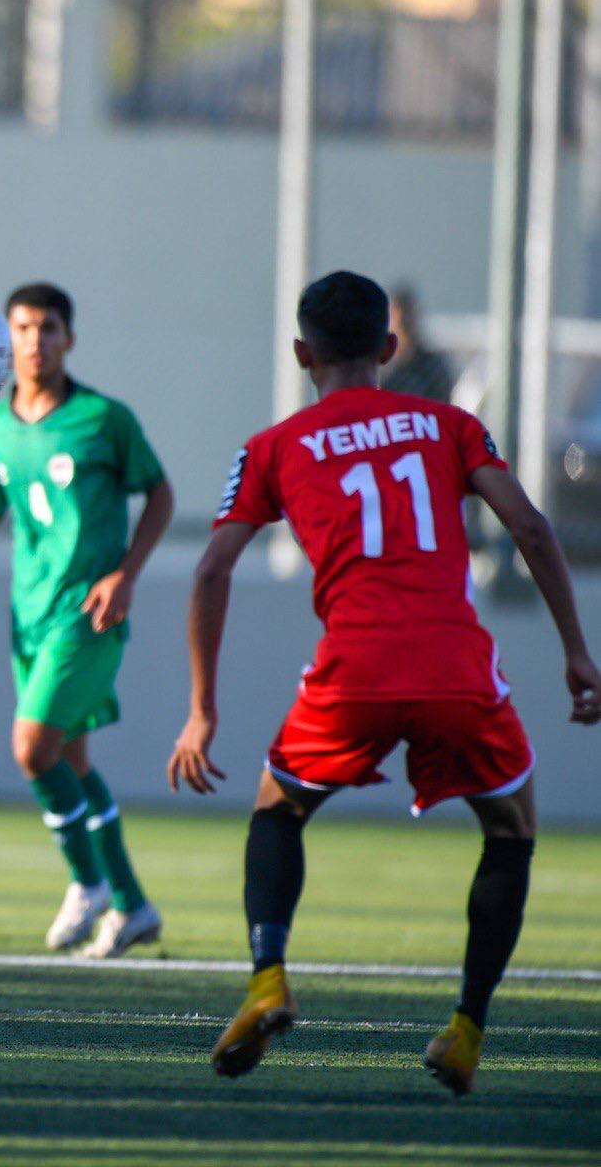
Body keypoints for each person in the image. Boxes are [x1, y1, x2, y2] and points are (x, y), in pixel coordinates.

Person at [168, 270, 600, 1092]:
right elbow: (534, 530)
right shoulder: (449, 425)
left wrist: (201, 707)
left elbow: (211, 572)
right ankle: (467, 1028)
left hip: (353, 667)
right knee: (509, 829)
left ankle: (267, 975)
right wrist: (578, 653)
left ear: (303, 354)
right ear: (390, 349)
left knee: (279, 807)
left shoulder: (272, 448)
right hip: (454, 663)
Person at [0, 282, 174, 958]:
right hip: (29, 613)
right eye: (22, 328)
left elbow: (161, 493)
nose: (34, 341)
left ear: (69, 340)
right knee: (71, 761)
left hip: (89, 613)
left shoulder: (103, 419)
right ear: (4, 339)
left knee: (31, 749)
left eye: (47, 328)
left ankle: (87, 883)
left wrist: (126, 574)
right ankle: (134, 906)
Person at [381, 284, 454, 402]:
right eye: (396, 314)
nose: (402, 320)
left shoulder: (433, 367)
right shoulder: (381, 367)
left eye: (407, 313)